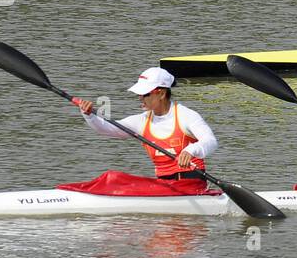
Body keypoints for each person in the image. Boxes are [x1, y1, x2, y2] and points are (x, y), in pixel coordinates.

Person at [74, 67, 218, 181]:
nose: (140, 98)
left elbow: (210, 141)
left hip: (191, 186)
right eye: (139, 94)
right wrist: (89, 115)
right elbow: (107, 129)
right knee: (114, 177)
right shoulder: (142, 121)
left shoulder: (187, 116)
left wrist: (191, 150)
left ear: (161, 93)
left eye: (145, 94)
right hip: (164, 186)